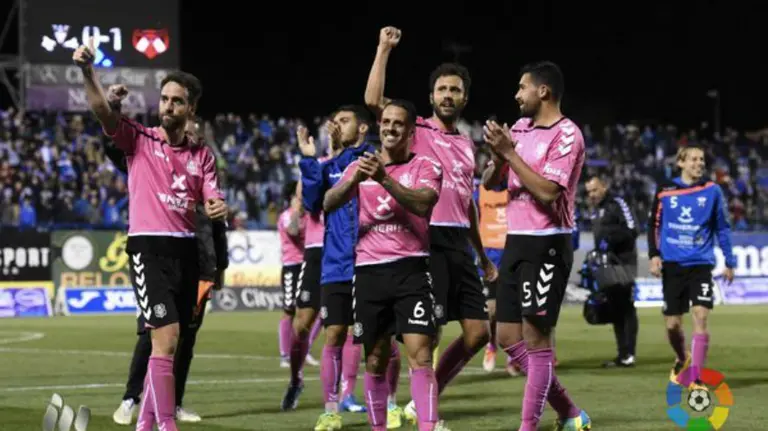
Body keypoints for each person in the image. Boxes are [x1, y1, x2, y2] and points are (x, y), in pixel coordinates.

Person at [73, 40, 227, 431]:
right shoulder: (139, 139)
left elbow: (212, 195)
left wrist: (215, 206)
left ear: (191, 108)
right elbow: (102, 112)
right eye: (164, 99)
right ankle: (165, 425)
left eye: (177, 101)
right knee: (167, 339)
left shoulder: (202, 155)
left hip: (187, 251)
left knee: (174, 343)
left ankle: (146, 423)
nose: (169, 106)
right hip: (148, 248)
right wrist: (88, 72)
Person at [364, 27, 498, 422]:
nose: (448, 96)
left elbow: (468, 202)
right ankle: (416, 410)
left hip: (459, 242)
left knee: (477, 333)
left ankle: (423, 398)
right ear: (431, 97)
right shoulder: (417, 129)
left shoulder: (467, 144)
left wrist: (482, 254)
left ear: (464, 98)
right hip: (426, 239)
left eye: (455, 90)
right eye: (442, 89)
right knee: (426, 335)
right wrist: (384, 49)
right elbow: (373, 100)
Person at [324, 99, 448, 431]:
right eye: (386, 122)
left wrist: (385, 180)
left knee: (420, 356)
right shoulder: (360, 166)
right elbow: (328, 201)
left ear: (410, 131)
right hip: (368, 273)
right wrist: (352, 181)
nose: (390, 128)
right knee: (375, 359)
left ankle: (428, 426)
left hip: (411, 271)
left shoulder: (425, 166)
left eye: (398, 124)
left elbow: (423, 204)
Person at [482, 61, 590, 431]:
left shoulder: (567, 135)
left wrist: (511, 154)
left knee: (537, 339)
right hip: (516, 241)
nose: (516, 94)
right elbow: (491, 183)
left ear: (542, 91)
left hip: (547, 244)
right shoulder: (519, 129)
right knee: (508, 336)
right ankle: (572, 413)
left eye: (522, 87)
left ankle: (529, 426)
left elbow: (547, 192)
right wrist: (498, 155)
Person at [108, 115, 228, 425]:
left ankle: (169, 406)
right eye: (189, 128)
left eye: (197, 131)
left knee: (184, 339)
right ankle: (131, 398)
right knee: (154, 336)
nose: (193, 133)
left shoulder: (203, 169)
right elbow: (116, 150)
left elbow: (218, 228)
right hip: (158, 258)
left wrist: (220, 267)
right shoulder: (153, 158)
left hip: (197, 266)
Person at [289, 106, 392, 429]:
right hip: (336, 263)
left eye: (344, 121)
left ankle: (388, 403)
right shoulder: (329, 165)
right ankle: (331, 410)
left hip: (372, 261)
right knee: (333, 333)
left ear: (362, 129)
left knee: (381, 341)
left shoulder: (374, 160)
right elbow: (311, 204)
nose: (336, 125)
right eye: (334, 121)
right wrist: (309, 158)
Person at [647, 144, 735, 387]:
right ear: (681, 163)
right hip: (673, 265)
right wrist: (654, 255)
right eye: (694, 159)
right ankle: (681, 357)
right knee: (673, 325)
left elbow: (723, 227)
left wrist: (729, 260)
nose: (699, 163)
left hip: (701, 264)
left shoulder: (712, 190)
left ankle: (696, 375)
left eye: (702, 160)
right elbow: (653, 225)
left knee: (700, 316)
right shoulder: (665, 191)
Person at [584, 175, 640, 368]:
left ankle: (629, 353)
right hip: (606, 263)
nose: (591, 195)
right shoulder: (596, 210)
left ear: (605, 187)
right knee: (615, 308)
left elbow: (632, 230)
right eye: (589, 191)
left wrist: (610, 241)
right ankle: (623, 354)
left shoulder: (617, 203)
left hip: (623, 261)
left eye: (595, 190)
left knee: (626, 306)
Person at [277, 181, 307, 367]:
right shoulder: (287, 216)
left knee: (314, 312)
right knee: (289, 311)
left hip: (307, 266)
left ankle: (305, 349)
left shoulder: (309, 216)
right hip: (291, 267)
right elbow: (293, 231)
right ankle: (284, 355)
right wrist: (296, 210)